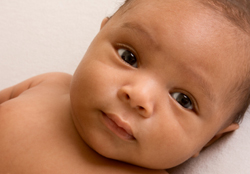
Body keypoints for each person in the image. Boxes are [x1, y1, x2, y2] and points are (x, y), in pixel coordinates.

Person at [0, 0, 249, 173]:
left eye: (182, 99)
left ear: (209, 140)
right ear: (99, 35)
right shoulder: (48, 85)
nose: (138, 95)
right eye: (128, 57)